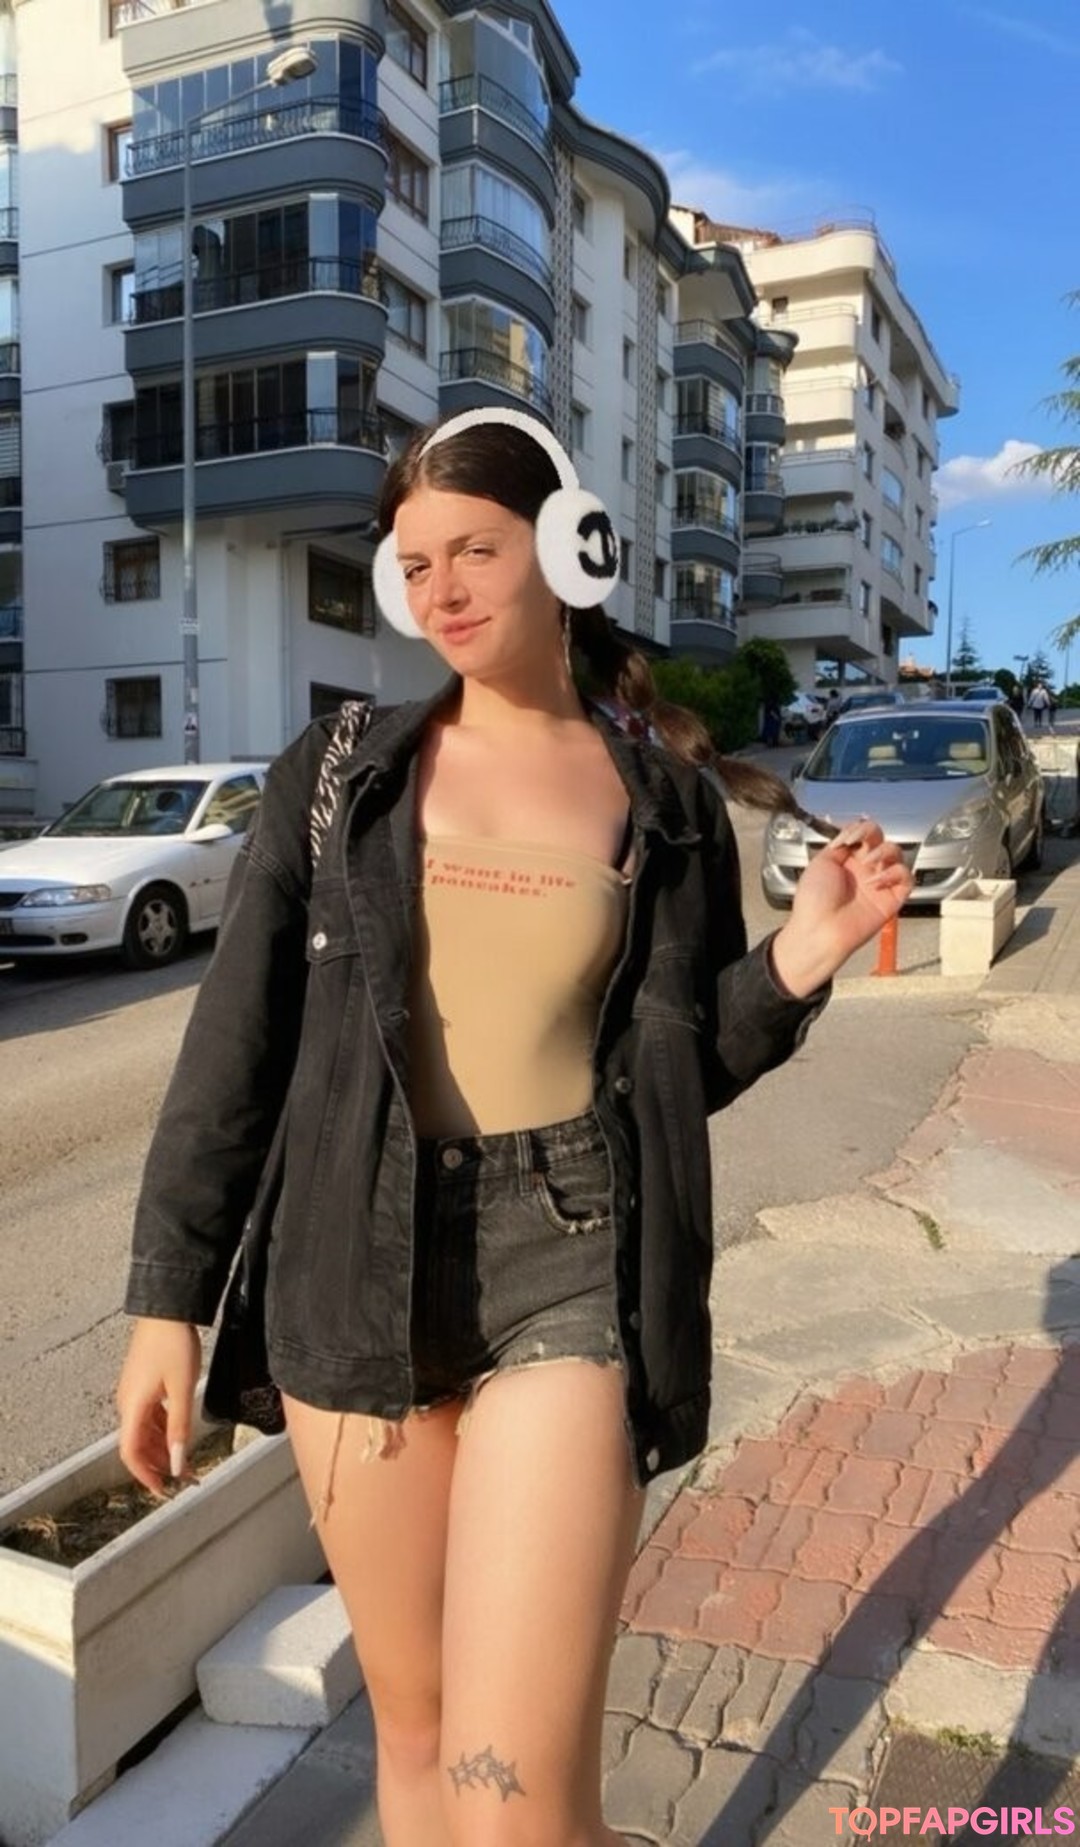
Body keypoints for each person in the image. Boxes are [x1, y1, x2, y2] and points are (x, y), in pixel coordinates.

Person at [116, 407, 911, 1847]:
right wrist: (168, 1300)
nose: (443, 591)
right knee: (417, 1743)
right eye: (415, 564)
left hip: (572, 1259)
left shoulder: (663, 801)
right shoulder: (338, 774)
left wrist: (804, 954)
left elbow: (675, 1070)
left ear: (567, 549)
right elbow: (234, 1050)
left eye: (476, 551)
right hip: (347, 1272)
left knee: (520, 1810)